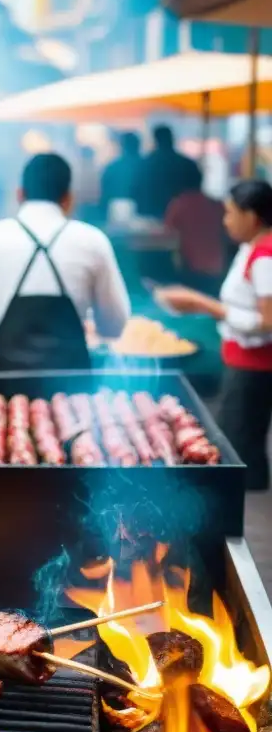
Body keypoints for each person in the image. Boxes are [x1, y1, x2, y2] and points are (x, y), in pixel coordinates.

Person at [0, 153, 131, 371]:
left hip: (6, 387)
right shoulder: (93, 241)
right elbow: (115, 326)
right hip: (73, 387)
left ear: (19, 194)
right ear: (68, 198)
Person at [155, 179, 272, 493]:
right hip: (243, 361)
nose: (225, 221)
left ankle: (238, 516)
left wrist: (201, 304)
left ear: (252, 217)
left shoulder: (264, 255)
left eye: (231, 213)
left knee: (239, 446)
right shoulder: (253, 249)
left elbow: (267, 321)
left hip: (254, 367)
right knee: (238, 439)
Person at [164, 166, 231, 294]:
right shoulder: (216, 204)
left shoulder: (179, 204)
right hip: (218, 269)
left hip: (190, 269)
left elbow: (167, 233)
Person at [135, 124, 203, 219]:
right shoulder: (187, 163)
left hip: (151, 217)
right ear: (172, 139)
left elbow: (136, 190)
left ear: (155, 140)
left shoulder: (144, 164)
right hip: (183, 216)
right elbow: (196, 190)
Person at [100, 131, 143, 219]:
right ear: (138, 145)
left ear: (122, 146)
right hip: (144, 215)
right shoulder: (147, 165)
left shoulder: (112, 167)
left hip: (116, 213)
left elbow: (104, 194)